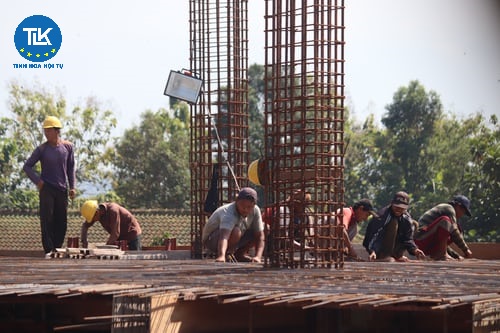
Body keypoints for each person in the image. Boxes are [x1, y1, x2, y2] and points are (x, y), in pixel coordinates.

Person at [23, 116, 76, 256]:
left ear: (57, 131)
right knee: (47, 219)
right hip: (47, 188)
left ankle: (57, 248)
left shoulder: (68, 147)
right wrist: (38, 181)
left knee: (62, 220)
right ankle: (49, 250)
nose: (46, 134)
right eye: (45, 131)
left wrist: (72, 186)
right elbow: (27, 166)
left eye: (49, 131)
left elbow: (70, 167)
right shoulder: (41, 149)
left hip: (62, 188)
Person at [202, 187, 265, 263]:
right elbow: (224, 236)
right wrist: (221, 256)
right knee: (236, 231)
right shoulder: (229, 212)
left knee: (262, 229)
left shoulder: (255, 210)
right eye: (242, 206)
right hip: (212, 240)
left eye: (249, 207)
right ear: (236, 201)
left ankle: (239, 254)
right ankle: (225, 254)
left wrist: (258, 257)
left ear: (254, 205)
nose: (245, 209)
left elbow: (260, 236)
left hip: (234, 237)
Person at [362, 191, 425, 262]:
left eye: (401, 208)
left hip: (395, 248)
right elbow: (373, 236)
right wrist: (372, 251)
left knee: (414, 224)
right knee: (393, 223)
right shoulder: (382, 216)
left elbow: (408, 239)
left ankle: (397, 255)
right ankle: (384, 256)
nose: (398, 209)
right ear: (392, 203)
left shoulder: (406, 218)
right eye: (396, 207)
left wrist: (415, 249)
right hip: (379, 248)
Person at [414, 195, 473, 260]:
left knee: (454, 228)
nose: (462, 214)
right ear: (458, 206)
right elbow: (454, 230)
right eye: (463, 211)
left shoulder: (449, 215)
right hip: (420, 239)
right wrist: (466, 250)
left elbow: (442, 242)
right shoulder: (449, 208)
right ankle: (441, 254)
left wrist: (456, 256)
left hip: (429, 244)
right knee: (446, 221)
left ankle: (438, 254)